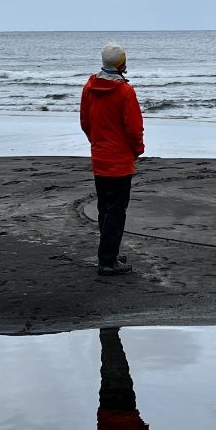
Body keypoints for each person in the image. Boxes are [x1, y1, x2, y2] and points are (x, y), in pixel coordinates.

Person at [80, 43, 144, 276]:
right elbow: (134, 128)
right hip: (119, 159)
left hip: (101, 156)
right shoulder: (125, 91)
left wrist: (96, 143)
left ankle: (110, 253)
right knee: (116, 212)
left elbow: (85, 122)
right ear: (121, 64)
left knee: (105, 209)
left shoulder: (89, 87)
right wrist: (138, 149)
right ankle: (107, 260)